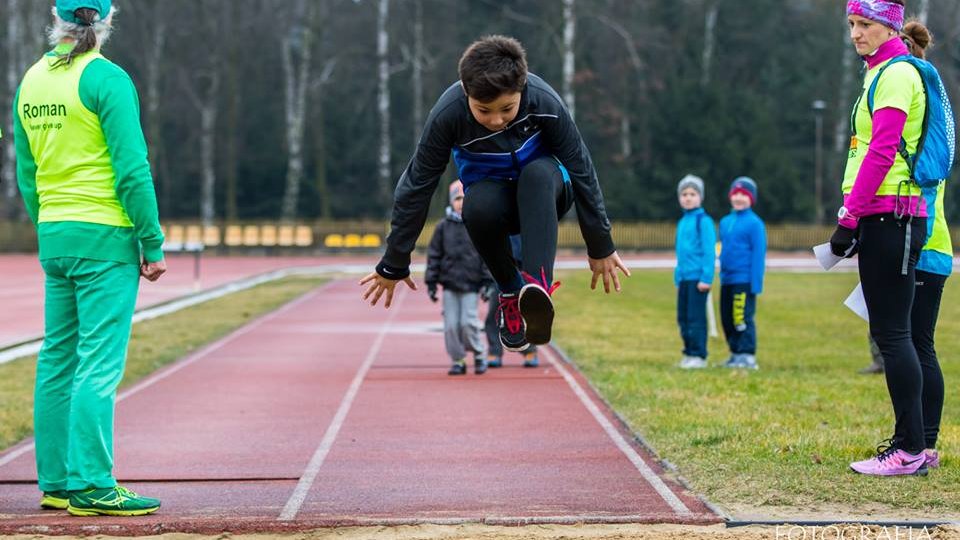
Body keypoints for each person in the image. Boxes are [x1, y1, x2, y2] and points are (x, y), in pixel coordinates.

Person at [359, 35, 630, 353]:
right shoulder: (448, 115)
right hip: (495, 203)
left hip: (548, 193)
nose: (496, 120)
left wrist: (600, 244)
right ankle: (511, 293)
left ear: (523, 86)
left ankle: (537, 288)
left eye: (507, 109)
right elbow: (417, 184)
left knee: (537, 173)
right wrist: (394, 260)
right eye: (483, 110)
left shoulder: (544, 102)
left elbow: (582, 169)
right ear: (465, 89)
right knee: (474, 204)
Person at [14, 0, 165, 514]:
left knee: (56, 359)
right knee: (97, 364)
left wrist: (48, 229)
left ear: (55, 19)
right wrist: (151, 240)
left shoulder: (32, 80)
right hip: (105, 237)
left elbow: (26, 173)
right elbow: (131, 169)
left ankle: (56, 481)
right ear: (107, 20)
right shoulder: (107, 78)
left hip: (57, 235)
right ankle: (93, 484)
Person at [831, 0, 942, 476]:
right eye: (852, 24)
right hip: (886, 213)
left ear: (889, 26)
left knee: (895, 335)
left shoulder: (896, 73)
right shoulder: (878, 73)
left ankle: (909, 449)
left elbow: (881, 149)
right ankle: (916, 446)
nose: (855, 33)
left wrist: (850, 215)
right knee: (901, 335)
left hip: (889, 213)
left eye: (865, 25)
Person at [425, 181, 492, 375]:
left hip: (471, 283)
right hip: (450, 283)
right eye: (457, 199)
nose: (461, 203)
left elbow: (487, 255)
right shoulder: (443, 227)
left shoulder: (478, 225)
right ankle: (458, 359)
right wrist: (431, 282)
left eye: (464, 199)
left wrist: (488, 282)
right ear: (451, 201)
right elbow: (434, 255)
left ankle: (479, 354)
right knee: (451, 326)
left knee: (468, 323)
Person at [718, 177, 766, 370]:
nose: (738, 198)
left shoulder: (755, 224)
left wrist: (755, 283)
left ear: (751, 198)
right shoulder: (725, 221)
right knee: (727, 318)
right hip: (727, 279)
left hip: (744, 280)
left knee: (741, 317)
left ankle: (747, 355)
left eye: (743, 195)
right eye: (735, 194)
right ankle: (735, 353)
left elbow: (758, 254)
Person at [674, 175, 716, 370]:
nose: (688, 198)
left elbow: (709, 251)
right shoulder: (683, 222)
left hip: (698, 279)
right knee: (683, 318)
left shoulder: (703, 221)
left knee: (695, 318)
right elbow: (680, 254)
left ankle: (699, 354)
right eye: (684, 194)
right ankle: (688, 352)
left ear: (700, 197)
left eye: (692, 194)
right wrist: (678, 277)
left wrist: (706, 277)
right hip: (684, 279)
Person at [484, 235, 540, 368]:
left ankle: (530, 350)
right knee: (495, 312)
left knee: (526, 311)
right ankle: (494, 351)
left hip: (523, 268)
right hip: (499, 269)